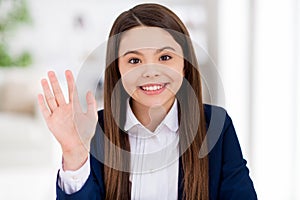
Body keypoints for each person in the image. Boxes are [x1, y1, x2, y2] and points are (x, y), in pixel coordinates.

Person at [37, 3, 257, 200]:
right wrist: (75, 153)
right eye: (134, 60)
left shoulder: (215, 125)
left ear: (185, 64)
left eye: (165, 57)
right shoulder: (95, 130)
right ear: (118, 69)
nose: (151, 71)